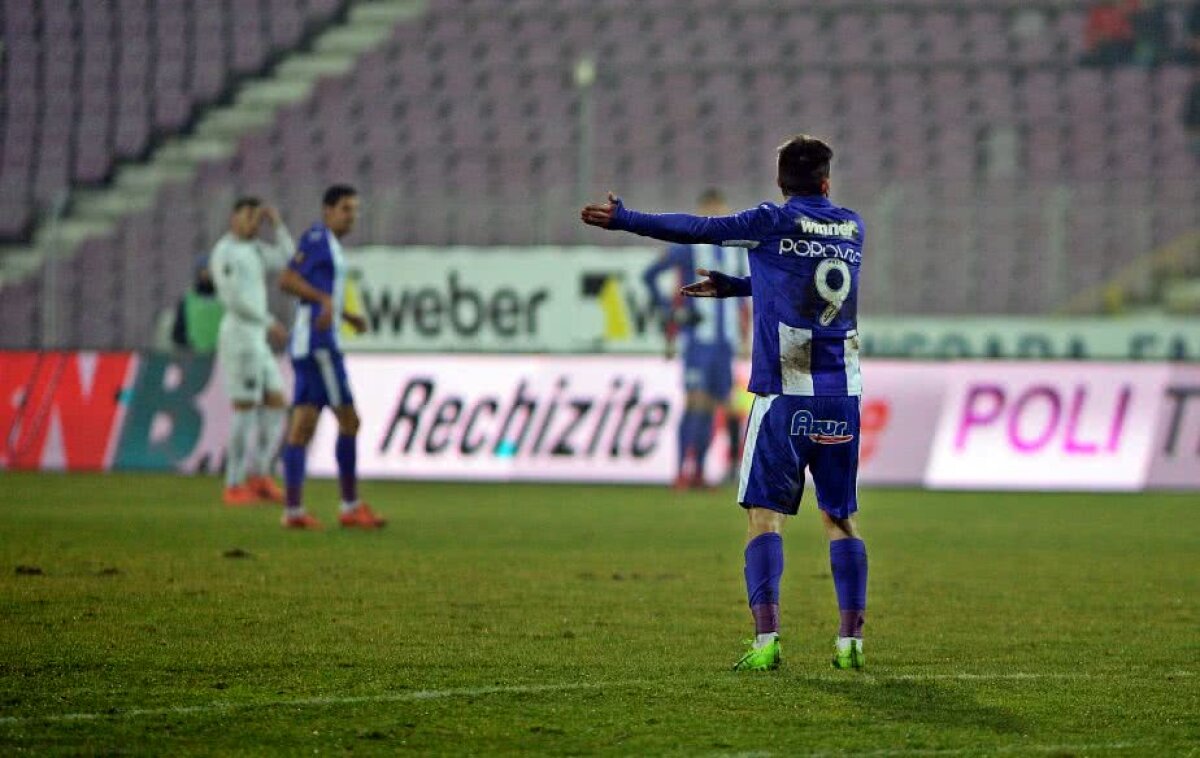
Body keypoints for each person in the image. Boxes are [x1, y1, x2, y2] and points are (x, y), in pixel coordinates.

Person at [581, 135, 869, 672]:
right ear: (827, 182)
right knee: (841, 518)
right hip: (843, 396)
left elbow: (700, 230)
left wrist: (626, 219)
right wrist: (738, 287)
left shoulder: (771, 220)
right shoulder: (852, 227)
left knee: (764, 518)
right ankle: (851, 641)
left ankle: (766, 642)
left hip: (785, 397)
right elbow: (810, 284)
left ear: (781, 183)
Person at [277, 184, 384, 530]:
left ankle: (293, 512)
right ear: (328, 210)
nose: (352, 217)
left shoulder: (330, 246)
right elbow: (288, 279)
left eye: (355, 210)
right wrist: (323, 302)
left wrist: (346, 316)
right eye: (346, 209)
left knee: (302, 427)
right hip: (319, 346)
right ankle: (350, 506)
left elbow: (317, 291)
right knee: (350, 421)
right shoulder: (317, 239)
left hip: (311, 343)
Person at [641, 188, 748, 489]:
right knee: (695, 402)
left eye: (720, 210)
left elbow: (742, 297)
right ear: (702, 212)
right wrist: (671, 315)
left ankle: (700, 472)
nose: (715, 216)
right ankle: (680, 471)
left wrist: (744, 334)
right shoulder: (688, 247)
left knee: (718, 404)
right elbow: (649, 276)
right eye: (710, 210)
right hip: (698, 340)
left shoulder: (735, 250)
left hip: (724, 342)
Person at [209, 197, 293, 505]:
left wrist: (278, 225)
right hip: (240, 338)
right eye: (248, 216)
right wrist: (268, 320)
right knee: (245, 409)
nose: (254, 223)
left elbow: (289, 259)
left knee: (277, 403)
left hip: (257, 339)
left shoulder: (257, 249)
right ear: (233, 218)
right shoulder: (225, 252)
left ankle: (259, 475)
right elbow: (231, 298)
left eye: (258, 218)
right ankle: (232, 484)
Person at [170, 255, 223, 354]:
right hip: (194, 355)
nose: (207, 274)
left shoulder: (225, 299)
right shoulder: (188, 300)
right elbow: (178, 332)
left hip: (220, 356)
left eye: (210, 271)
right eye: (204, 271)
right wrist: (189, 345)